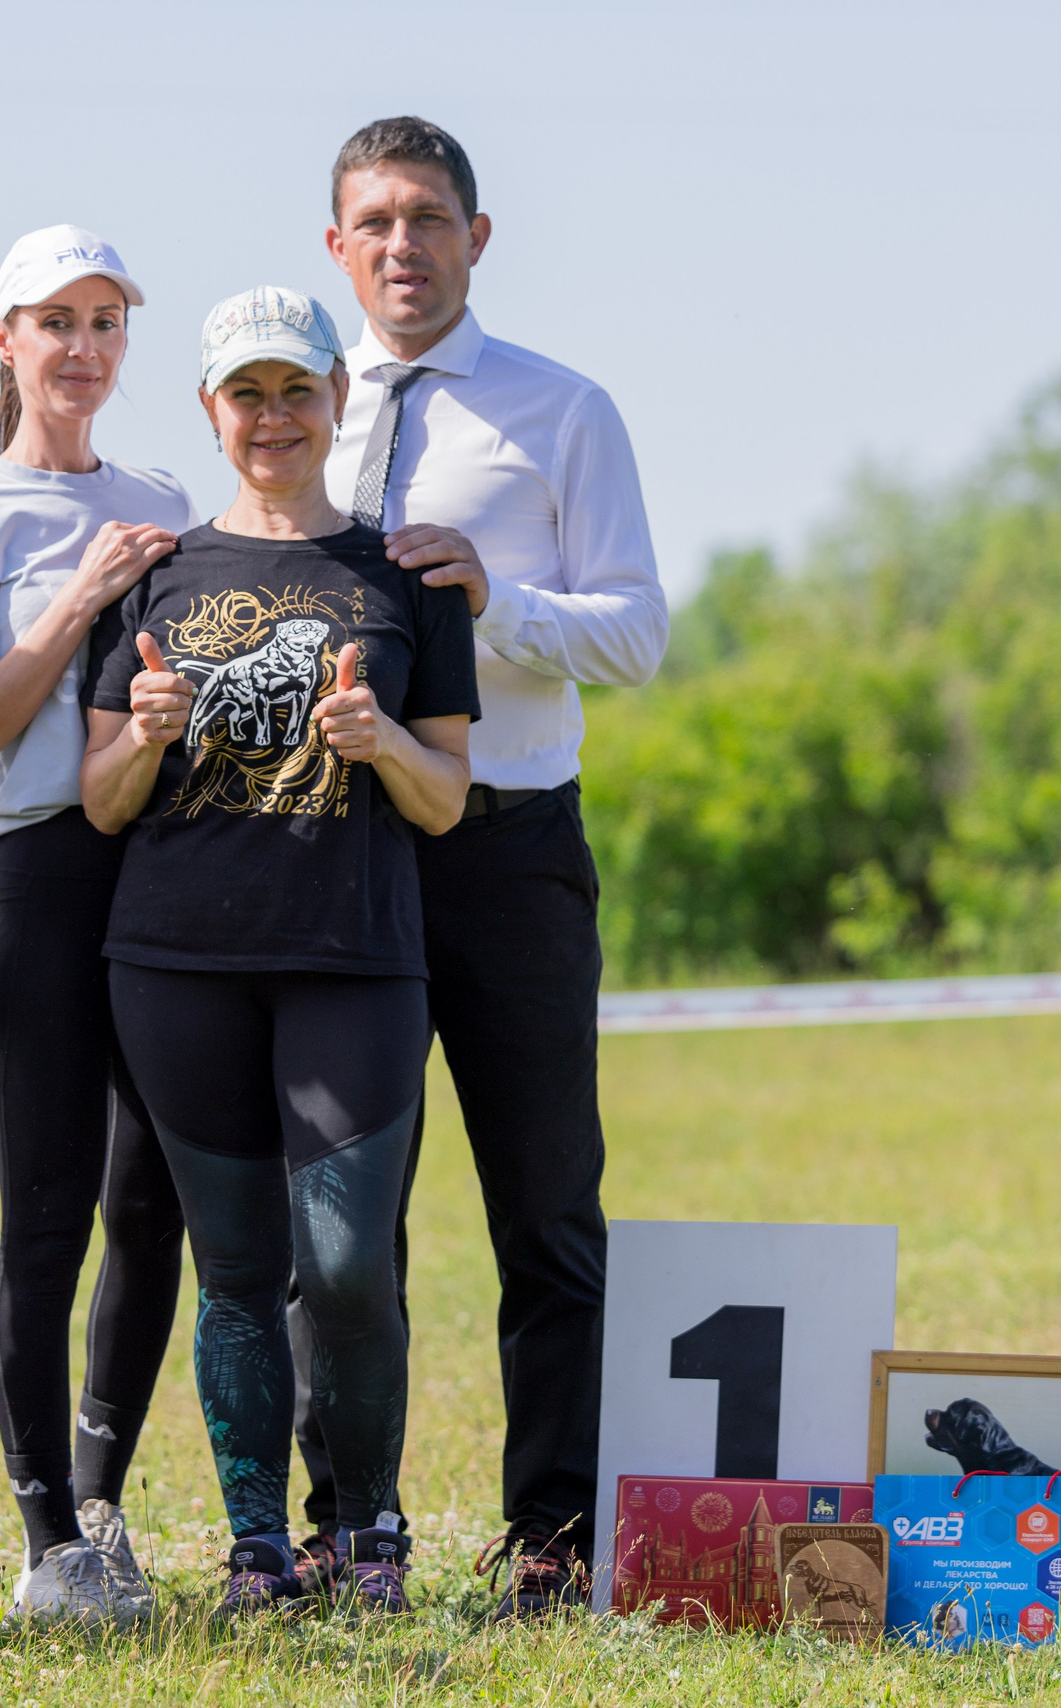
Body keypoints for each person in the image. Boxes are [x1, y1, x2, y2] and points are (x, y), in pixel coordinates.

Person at [291, 116, 671, 1616]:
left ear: (478, 236)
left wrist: (494, 597)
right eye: (376, 222)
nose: (405, 245)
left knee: (547, 1207)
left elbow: (635, 634)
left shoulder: (563, 410)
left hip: (512, 852)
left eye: (430, 217)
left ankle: (555, 1537)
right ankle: (348, 1532)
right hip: (341, 854)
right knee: (341, 1223)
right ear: (337, 247)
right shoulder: (293, 410)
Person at [80, 286, 480, 1616]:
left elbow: (447, 798)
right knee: (238, 1271)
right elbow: (100, 801)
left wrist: (386, 744)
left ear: (336, 399)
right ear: (211, 411)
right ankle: (258, 1544)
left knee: (350, 1262)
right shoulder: (156, 576)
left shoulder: (404, 577)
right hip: (176, 963)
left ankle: (369, 1527)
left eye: (296, 390)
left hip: (355, 959)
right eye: (246, 395)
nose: (273, 417)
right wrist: (143, 733)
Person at [0, 226, 194, 1623]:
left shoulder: (170, 500)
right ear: (5, 342)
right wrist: (81, 595)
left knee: (154, 1203)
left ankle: (101, 1505)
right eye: (55, 322)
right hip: (42, 874)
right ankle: (43, 1542)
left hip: (168, 872)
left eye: (104, 321)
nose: (83, 346)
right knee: (47, 1215)